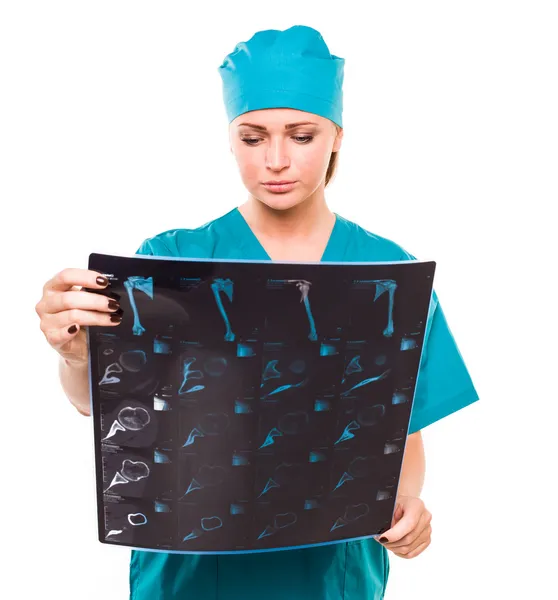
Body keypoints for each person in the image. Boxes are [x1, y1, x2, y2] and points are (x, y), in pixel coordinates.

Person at [36, 24, 479, 600]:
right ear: (229, 137)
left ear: (336, 136)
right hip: (190, 574)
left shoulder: (386, 271)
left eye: (300, 135)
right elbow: (101, 405)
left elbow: (401, 430)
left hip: (331, 576)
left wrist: (409, 506)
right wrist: (74, 353)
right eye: (252, 138)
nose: (276, 160)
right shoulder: (173, 260)